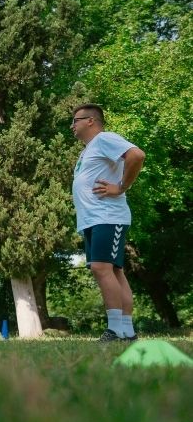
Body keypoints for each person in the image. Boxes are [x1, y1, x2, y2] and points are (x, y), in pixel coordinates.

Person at [71, 103, 145, 342]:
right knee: (113, 270)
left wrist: (121, 187)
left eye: (75, 120)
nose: (72, 126)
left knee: (100, 268)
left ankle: (115, 330)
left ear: (90, 121)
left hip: (108, 217)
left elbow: (137, 155)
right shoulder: (89, 149)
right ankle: (127, 331)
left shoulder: (104, 139)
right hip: (93, 219)